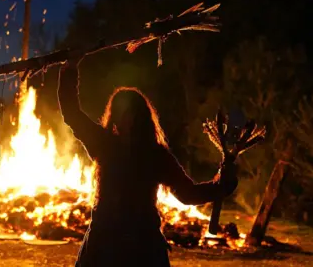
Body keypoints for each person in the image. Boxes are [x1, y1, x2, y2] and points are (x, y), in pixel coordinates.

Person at [57, 56, 238, 267]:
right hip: (107, 244)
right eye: (121, 114)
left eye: (129, 113)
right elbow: (71, 112)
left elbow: (187, 194)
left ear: (139, 116)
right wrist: (70, 69)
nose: (126, 119)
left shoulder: (153, 155)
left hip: (139, 246)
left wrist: (220, 186)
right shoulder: (106, 145)